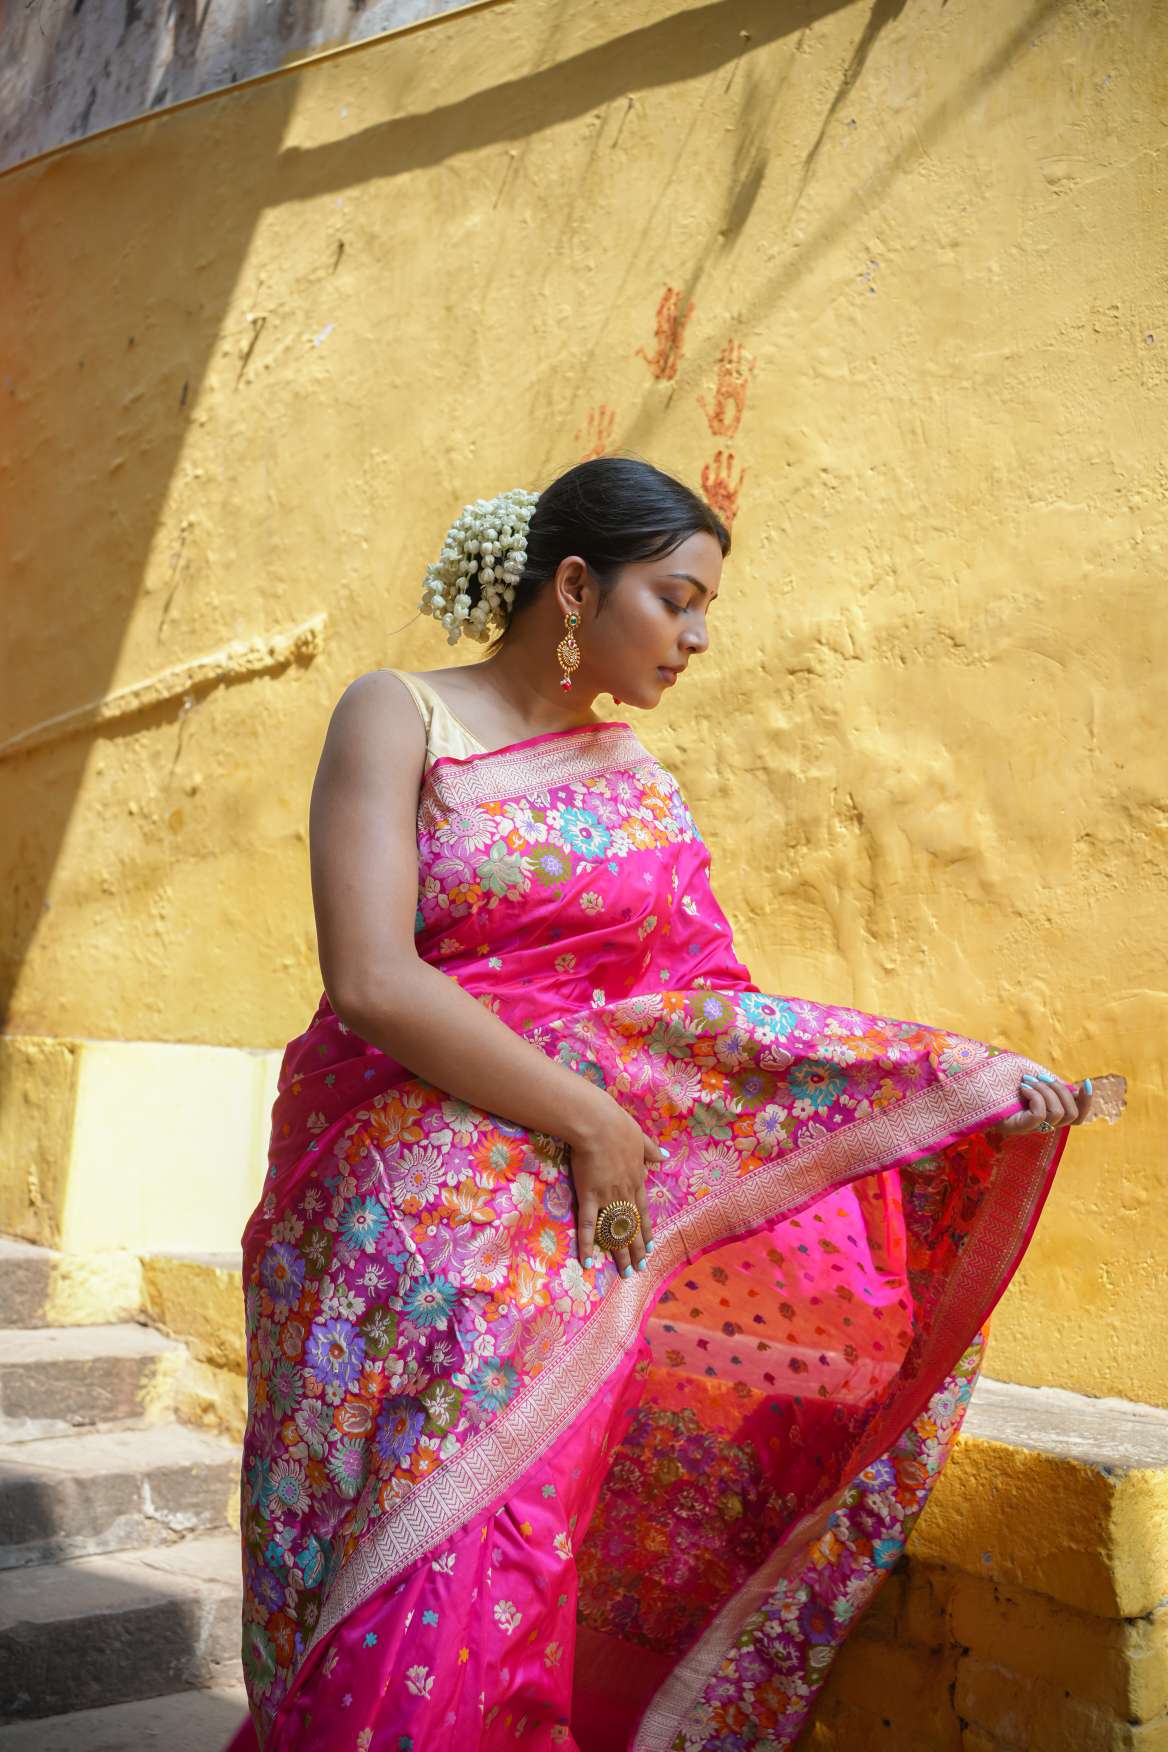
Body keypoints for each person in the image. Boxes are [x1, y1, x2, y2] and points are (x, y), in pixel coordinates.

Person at [227, 456, 1121, 1752]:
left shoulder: (636, 781)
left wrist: (946, 1083)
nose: (698, 637)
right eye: (678, 598)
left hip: (573, 1234)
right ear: (578, 585)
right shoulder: (403, 715)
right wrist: (588, 1121)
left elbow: (710, 1013)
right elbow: (371, 979)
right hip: (402, 1207)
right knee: (412, 1552)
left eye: (708, 608)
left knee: (514, 1551)